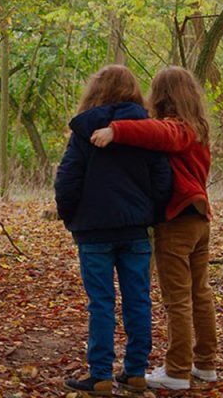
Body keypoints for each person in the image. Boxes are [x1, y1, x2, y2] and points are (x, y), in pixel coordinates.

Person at [90, 66, 217, 391]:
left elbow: (159, 133)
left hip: (178, 221)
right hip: (199, 219)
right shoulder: (198, 127)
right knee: (199, 294)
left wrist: (116, 130)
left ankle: (176, 371)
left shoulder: (179, 128)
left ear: (162, 96)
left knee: (178, 298)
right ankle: (204, 364)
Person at [55, 65, 173, 396]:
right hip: (135, 230)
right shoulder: (146, 131)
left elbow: (67, 180)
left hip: (94, 232)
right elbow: (162, 180)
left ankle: (101, 374)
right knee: (138, 299)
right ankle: (135, 371)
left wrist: (71, 217)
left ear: (95, 91)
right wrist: (152, 215)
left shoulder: (84, 133)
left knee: (102, 302)